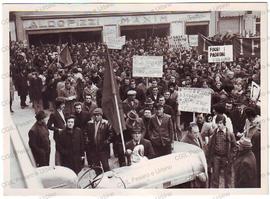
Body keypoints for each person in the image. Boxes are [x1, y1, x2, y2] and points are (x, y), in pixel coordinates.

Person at [208, 114, 237, 188]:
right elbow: (210, 145)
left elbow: (235, 147)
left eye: (220, 123)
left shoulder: (230, 134)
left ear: (224, 123)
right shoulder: (214, 133)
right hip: (216, 157)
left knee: (227, 177)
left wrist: (231, 157)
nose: (218, 125)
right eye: (217, 123)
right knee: (215, 176)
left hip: (226, 158)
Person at [85, 108, 113, 172]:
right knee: (96, 167)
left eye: (98, 115)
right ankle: (99, 178)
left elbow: (111, 135)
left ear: (101, 115)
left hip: (103, 149)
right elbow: (86, 133)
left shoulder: (106, 123)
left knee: (105, 166)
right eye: (95, 115)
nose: (96, 117)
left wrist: (106, 142)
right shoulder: (90, 123)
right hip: (93, 149)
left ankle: (107, 178)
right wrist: (88, 140)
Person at [47, 97, 66, 165]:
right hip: (58, 135)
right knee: (58, 150)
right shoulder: (54, 114)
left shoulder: (64, 111)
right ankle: (58, 164)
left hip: (64, 134)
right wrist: (57, 129)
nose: (64, 105)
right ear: (58, 105)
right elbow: (48, 126)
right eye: (62, 104)